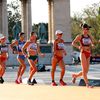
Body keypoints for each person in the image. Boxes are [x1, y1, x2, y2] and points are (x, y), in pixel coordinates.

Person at [72, 23, 95, 88]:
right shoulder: (80, 36)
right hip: (83, 53)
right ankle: (87, 84)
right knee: (84, 70)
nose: (87, 30)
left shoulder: (90, 36)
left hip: (88, 53)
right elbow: (73, 43)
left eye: (88, 29)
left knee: (86, 71)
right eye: (85, 29)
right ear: (83, 29)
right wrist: (78, 46)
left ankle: (75, 76)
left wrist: (92, 45)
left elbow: (92, 43)